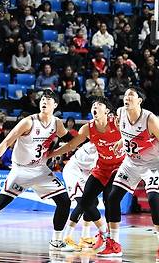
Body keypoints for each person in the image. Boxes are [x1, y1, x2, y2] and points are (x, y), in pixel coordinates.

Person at [0, 90, 73, 252]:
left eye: (48, 101)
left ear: (54, 105)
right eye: (42, 100)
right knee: (0, 203)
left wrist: (89, 140)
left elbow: (71, 140)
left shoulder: (57, 123)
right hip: (21, 170)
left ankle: (56, 241)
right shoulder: (28, 122)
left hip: (40, 170)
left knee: (64, 201)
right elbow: (6, 142)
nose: (43, 102)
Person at [100, 87, 159, 262]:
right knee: (112, 197)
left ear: (140, 100)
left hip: (151, 164)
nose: (127, 98)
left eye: (131, 95)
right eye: (125, 95)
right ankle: (114, 244)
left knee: (154, 200)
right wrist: (121, 141)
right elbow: (126, 133)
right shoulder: (120, 113)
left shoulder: (150, 119)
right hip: (131, 163)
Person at [48, 96, 125, 252]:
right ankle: (71, 237)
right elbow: (70, 145)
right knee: (85, 202)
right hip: (82, 171)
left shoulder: (117, 123)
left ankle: (101, 238)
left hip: (115, 168)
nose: (94, 107)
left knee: (107, 201)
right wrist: (52, 154)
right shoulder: (88, 130)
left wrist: (124, 140)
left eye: (98, 105)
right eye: (93, 105)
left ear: (107, 111)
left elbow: (132, 133)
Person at [59, 141, 98, 249]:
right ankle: (67, 238)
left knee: (94, 202)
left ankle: (85, 237)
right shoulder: (92, 146)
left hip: (86, 173)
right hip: (74, 171)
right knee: (83, 203)